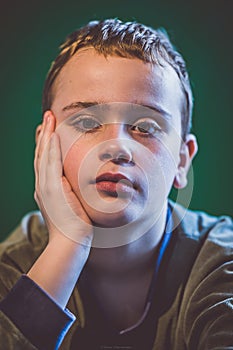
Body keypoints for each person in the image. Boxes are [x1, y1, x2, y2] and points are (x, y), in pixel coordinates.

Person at [0, 18, 232, 350]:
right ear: (46, 145)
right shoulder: (15, 266)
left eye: (146, 127)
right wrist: (67, 245)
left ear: (182, 161)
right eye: (87, 121)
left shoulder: (223, 265)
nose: (116, 147)